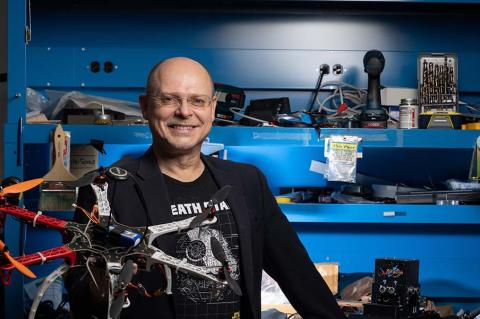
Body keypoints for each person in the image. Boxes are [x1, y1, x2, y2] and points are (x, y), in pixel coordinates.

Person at [66, 57, 345, 319]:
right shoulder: (107, 188)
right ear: (145, 107)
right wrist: (102, 289)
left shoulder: (247, 182)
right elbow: (79, 295)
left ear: (212, 109)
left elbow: (297, 273)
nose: (185, 111)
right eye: (169, 99)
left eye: (197, 101)